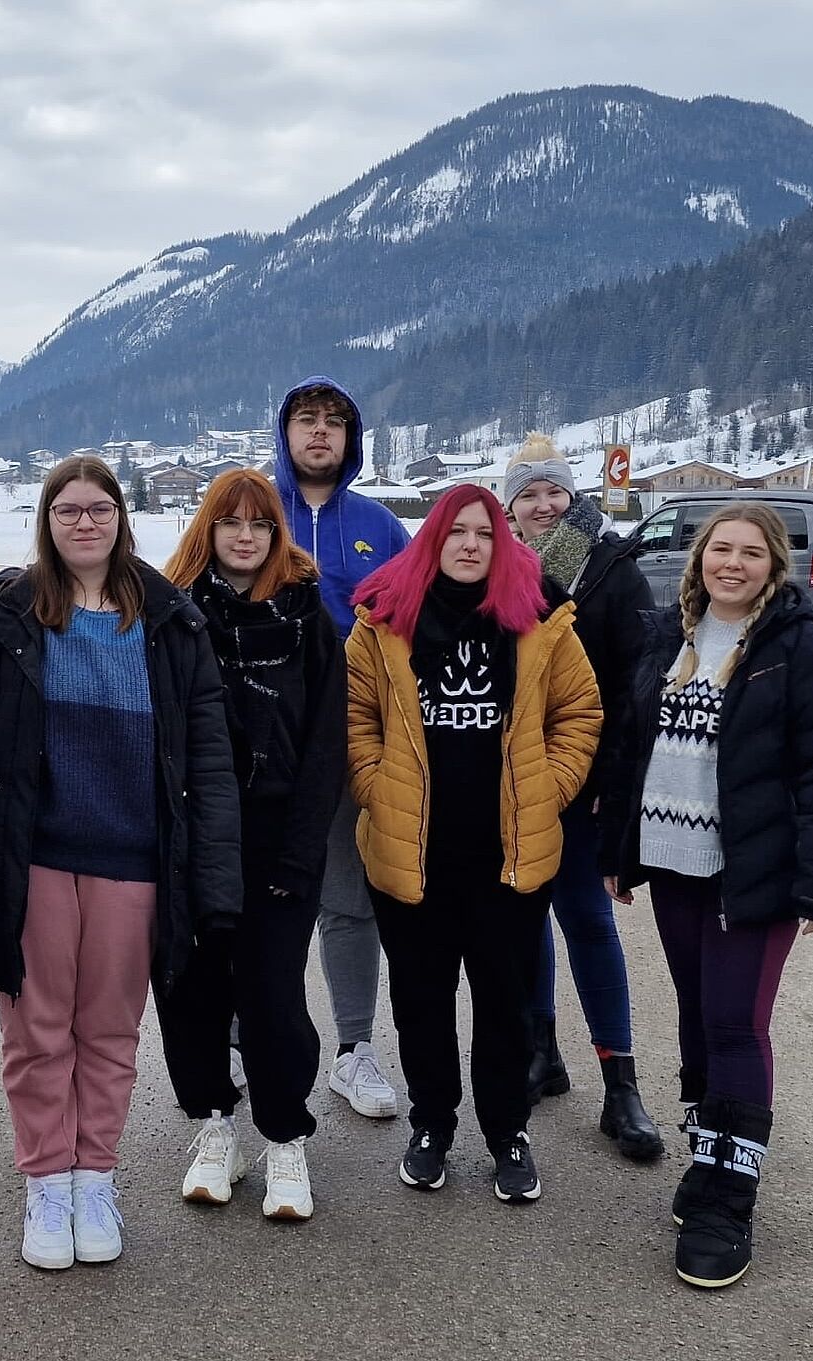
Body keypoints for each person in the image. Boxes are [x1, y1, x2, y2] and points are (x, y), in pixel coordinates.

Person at [0, 454, 242, 1271]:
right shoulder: (8, 614)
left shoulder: (171, 622)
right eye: (67, 510)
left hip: (134, 863)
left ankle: (94, 1177)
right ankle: (46, 1182)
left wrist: (214, 876)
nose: (83, 522)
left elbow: (207, 756)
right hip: (31, 858)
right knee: (37, 1030)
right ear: (46, 520)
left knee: (110, 1031)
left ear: (120, 518)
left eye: (97, 509)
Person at [599, 501, 813, 1289]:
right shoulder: (668, 638)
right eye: (721, 549)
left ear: (774, 564)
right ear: (700, 559)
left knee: (736, 1024)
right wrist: (620, 848)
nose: (733, 563)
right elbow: (628, 749)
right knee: (694, 1013)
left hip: (753, 871)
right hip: (673, 859)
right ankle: (705, 1156)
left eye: (752, 552)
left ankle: (730, 1197)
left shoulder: (802, 649)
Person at [345, 485, 601, 1201]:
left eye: (483, 534)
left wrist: (549, 788)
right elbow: (355, 717)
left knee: (505, 1001)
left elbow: (579, 711)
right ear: (432, 539)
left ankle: (506, 1130)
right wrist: (375, 785)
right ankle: (431, 1124)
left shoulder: (539, 620)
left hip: (508, 855)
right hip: (413, 852)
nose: (468, 544)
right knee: (421, 999)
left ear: (502, 543)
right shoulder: (383, 622)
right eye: (454, 531)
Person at [156, 470, 346, 1220]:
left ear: (277, 535)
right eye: (230, 522)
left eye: (260, 525)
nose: (245, 536)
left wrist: (302, 853)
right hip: (192, 836)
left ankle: (285, 1135)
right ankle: (215, 1124)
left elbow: (326, 744)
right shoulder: (172, 619)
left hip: (276, 840)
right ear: (208, 530)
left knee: (271, 994)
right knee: (189, 988)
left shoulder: (307, 619)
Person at [503, 434, 664, 1161]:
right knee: (525, 919)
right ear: (511, 507)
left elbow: (638, 691)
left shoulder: (609, 567)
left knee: (588, 924)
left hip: (587, 787)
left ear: (572, 497)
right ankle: (541, 1051)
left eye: (553, 492)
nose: (543, 505)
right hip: (517, 784)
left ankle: (620, 1083)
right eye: (528, 494)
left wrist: (617, 789)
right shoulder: (501, 570)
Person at [271, 374, 411, 1120]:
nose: (320, 432)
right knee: (263, 894)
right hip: (267, 743)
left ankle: (354, 1049)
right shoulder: (252, 512)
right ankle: (245, 1039)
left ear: (351, 439)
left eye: (334, 421)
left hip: (353, 739)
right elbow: (182, 596)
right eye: (306, 419)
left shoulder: (380, 526)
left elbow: (428, 611)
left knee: (348, 899)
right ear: (284, 432)